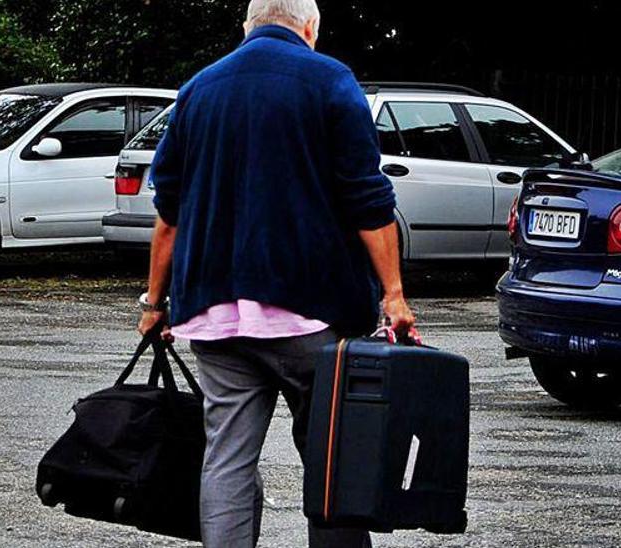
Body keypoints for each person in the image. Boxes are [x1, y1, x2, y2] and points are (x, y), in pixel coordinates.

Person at [137, 1, 417, 546]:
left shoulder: (200, 88)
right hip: (308, 311)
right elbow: (368, 200)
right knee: (331, 454)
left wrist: (154, 303)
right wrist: (394, 295)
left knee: (227, 458)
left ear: (248, 26)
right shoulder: (330, 80)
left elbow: (168, 213)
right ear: (311, 27)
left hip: (214, 316)